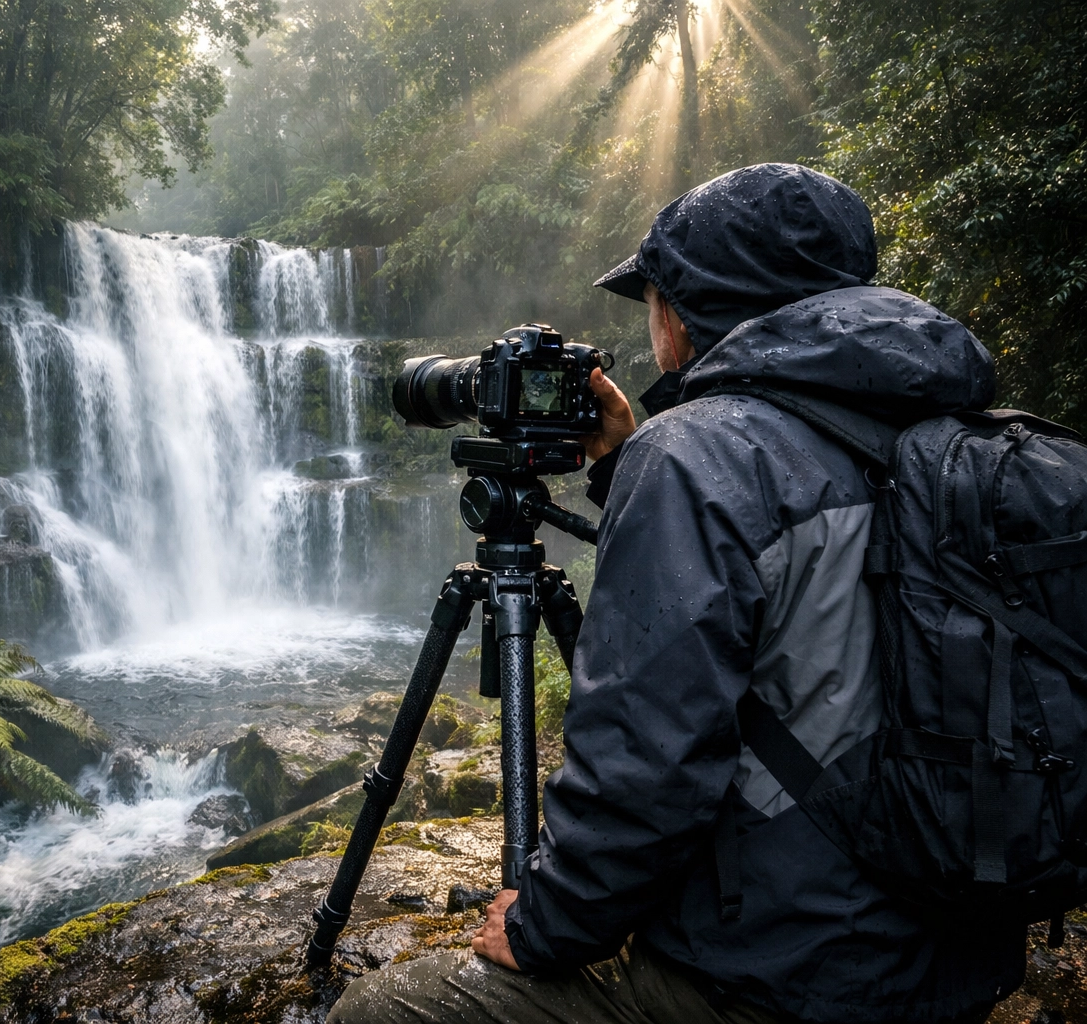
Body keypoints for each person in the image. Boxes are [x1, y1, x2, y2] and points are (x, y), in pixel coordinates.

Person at [328, 163, 1017, 1024]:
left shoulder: (699, 455)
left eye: (651, 297)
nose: (650, 320)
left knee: (380, 1011)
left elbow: (648, 764)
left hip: (784, 980)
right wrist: (628, 463)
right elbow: (811, 603)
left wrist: (544, 925)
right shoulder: (958, 438)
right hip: (954, 950)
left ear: (688, 308)